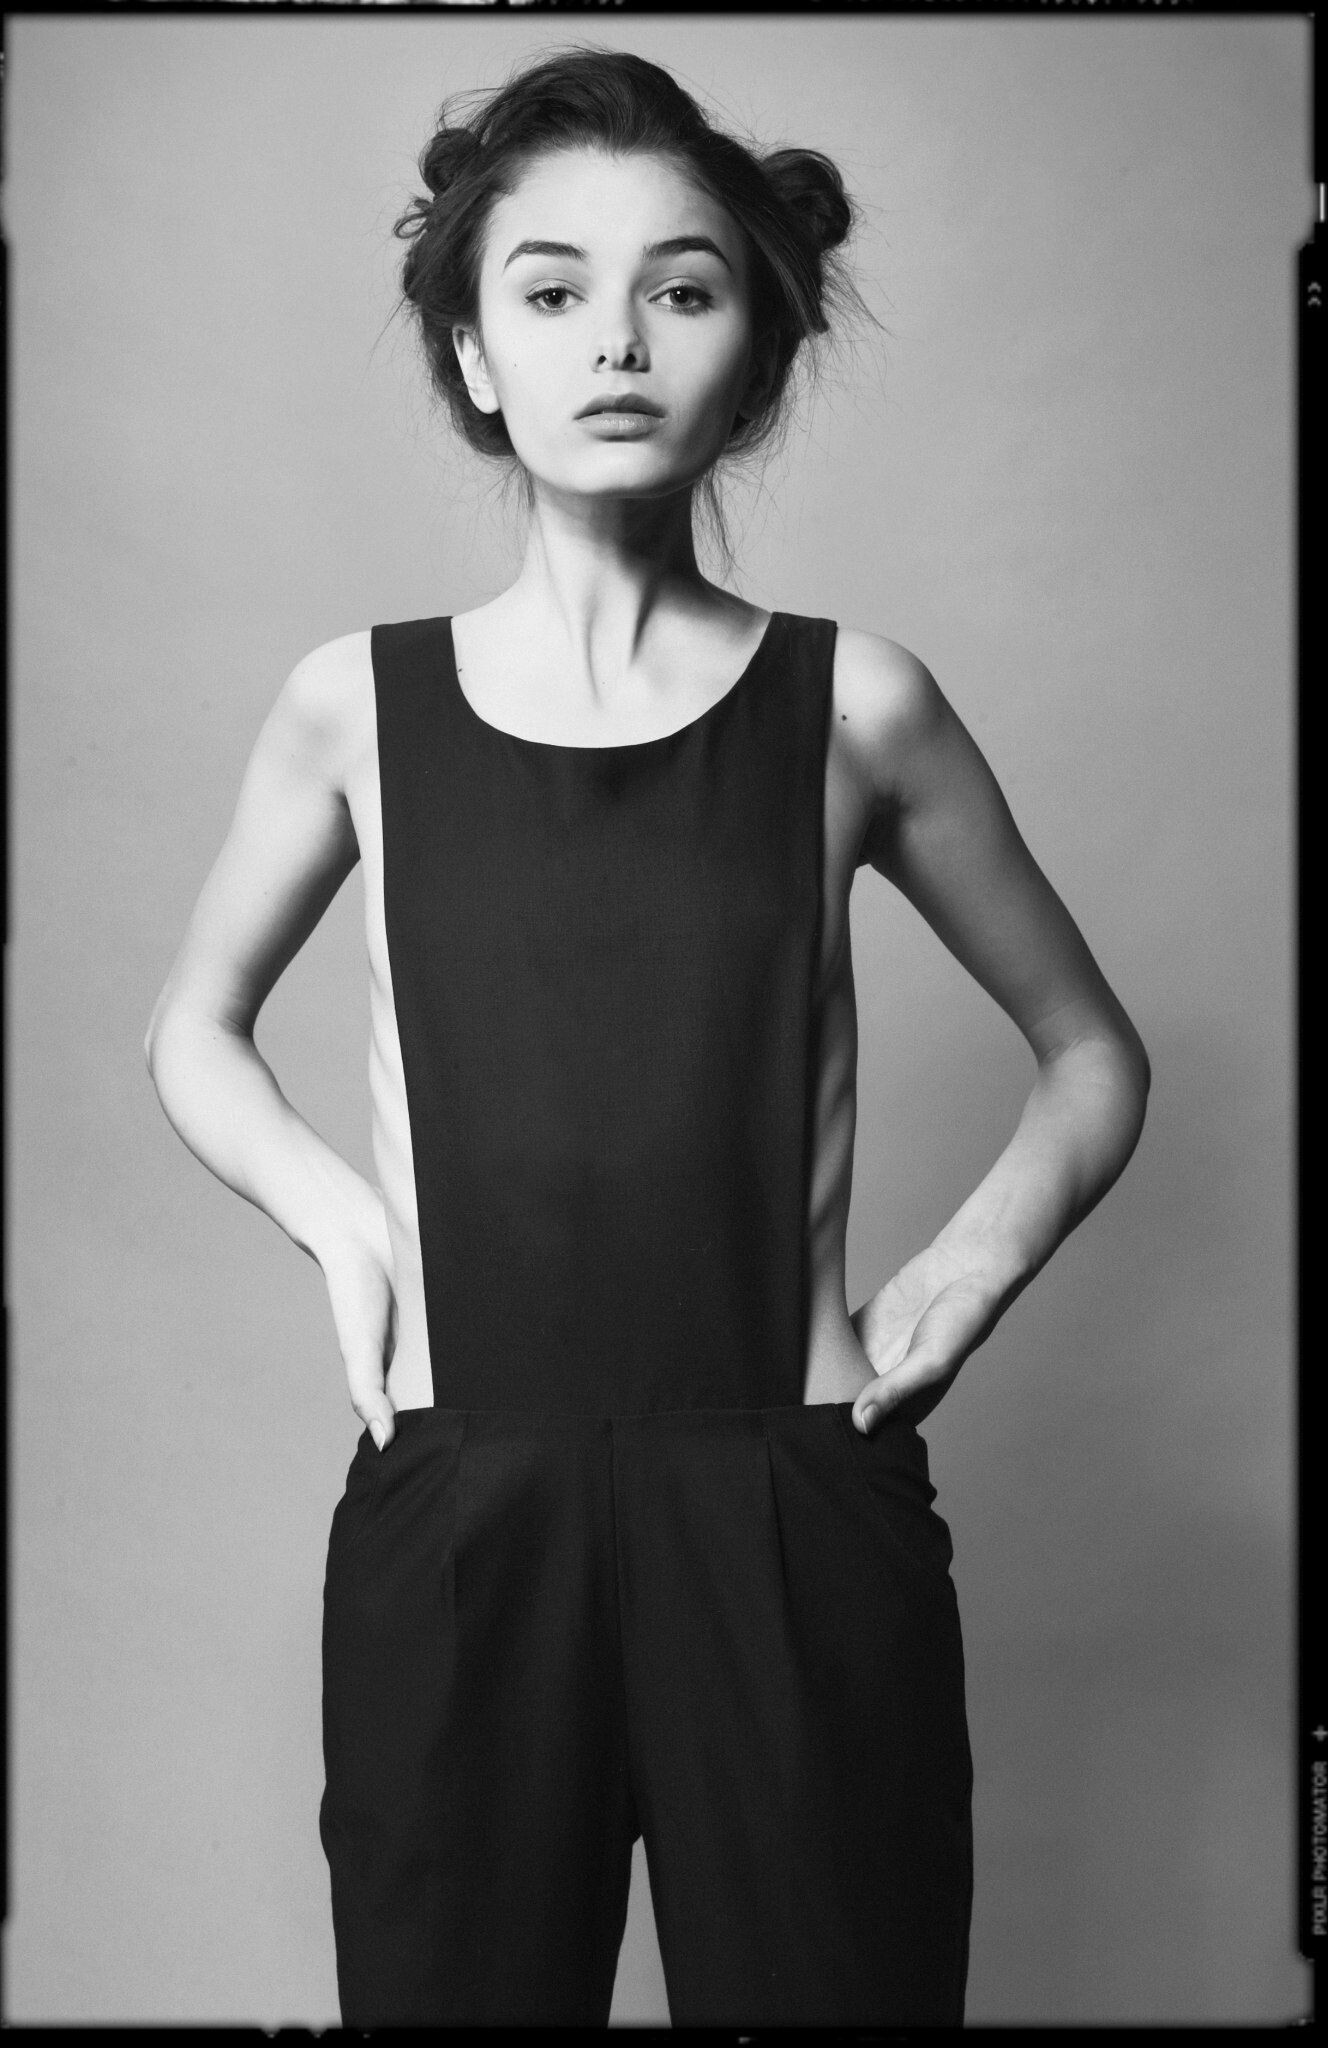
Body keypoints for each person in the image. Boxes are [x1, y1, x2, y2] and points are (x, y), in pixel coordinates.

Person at [144, 44, 1150, 2030]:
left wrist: (964, 1271)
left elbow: (1090, 1053)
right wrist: (340, 1223)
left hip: (788, 1506)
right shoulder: (352, 706)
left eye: (680, 291)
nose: (615, 340)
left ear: (752, 357)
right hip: (461, 1507)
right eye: (550, 292)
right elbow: (196, 1027)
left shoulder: (857, 705)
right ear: (473, 355)